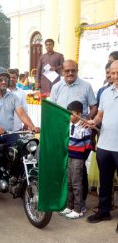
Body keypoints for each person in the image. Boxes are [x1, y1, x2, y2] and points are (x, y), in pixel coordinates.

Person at [0, 67, 40, 209]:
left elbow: (21, 113)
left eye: (6, 79)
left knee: (23, 153)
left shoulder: (13, 97)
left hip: (10, 133)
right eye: (1, 79)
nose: (4, 82)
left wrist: (32, 126)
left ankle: (17, 181)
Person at [50, 59, 98, 212]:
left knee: (79, 169)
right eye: (67, 70)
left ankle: (80, 203)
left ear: (77, 70)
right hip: (62, 134)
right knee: (65, 167)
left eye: (73, 70)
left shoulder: (86, 86)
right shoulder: (56, 87)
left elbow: (94, 106)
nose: (70, 73)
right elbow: (53, 109)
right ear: (62, 71)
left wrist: (88, 120)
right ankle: (66, 201)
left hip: (80, 134)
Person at [86, 60, 118, 224]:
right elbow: (100, 116)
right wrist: (93, 122)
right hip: (105, 145)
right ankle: (104, 211)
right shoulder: (105, 93)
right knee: (105, 182)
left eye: (117, 72)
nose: (115, 76)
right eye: (112, 73)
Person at [59, 101, 93, 219]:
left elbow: (89, 145)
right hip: (69, 157)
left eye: (71, 113)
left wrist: (82, 158)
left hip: (78, 159)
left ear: (78, 113)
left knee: (76, 183)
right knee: (69, 182)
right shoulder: (68, 125)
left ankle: (79, 209)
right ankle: (70, 206)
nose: (68, 116)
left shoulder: (85, 127)